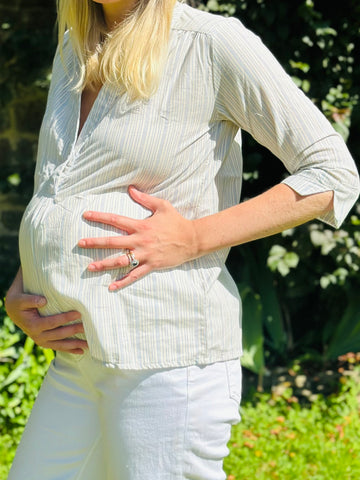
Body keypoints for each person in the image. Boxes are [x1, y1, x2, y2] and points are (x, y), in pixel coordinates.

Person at [5, 0, 359, 479]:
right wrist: (27, 277)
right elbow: (62, 182)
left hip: (163, 358)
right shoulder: (75, 47)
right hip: (79, 356)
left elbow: (332, 175)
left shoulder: (210, 43)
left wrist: (193, 237)